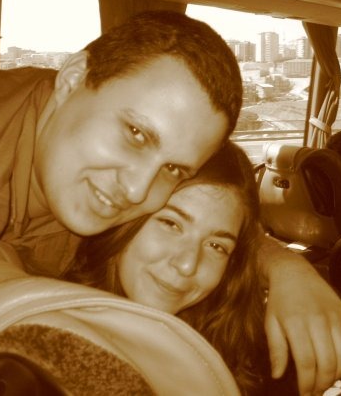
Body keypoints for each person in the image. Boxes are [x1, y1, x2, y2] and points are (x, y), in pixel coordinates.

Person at [0, 10, 341, 395]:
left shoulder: (68, 147)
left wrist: (284, 266)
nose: (139, 192)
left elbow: (208, 213)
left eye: (173, 169)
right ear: (73, 78)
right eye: (137, 134)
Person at [62, 141, 276, 394]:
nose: (187, 265)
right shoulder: (51, 334)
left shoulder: (230, 348)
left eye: (216, 246)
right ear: (127, 219)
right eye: (171, 224)